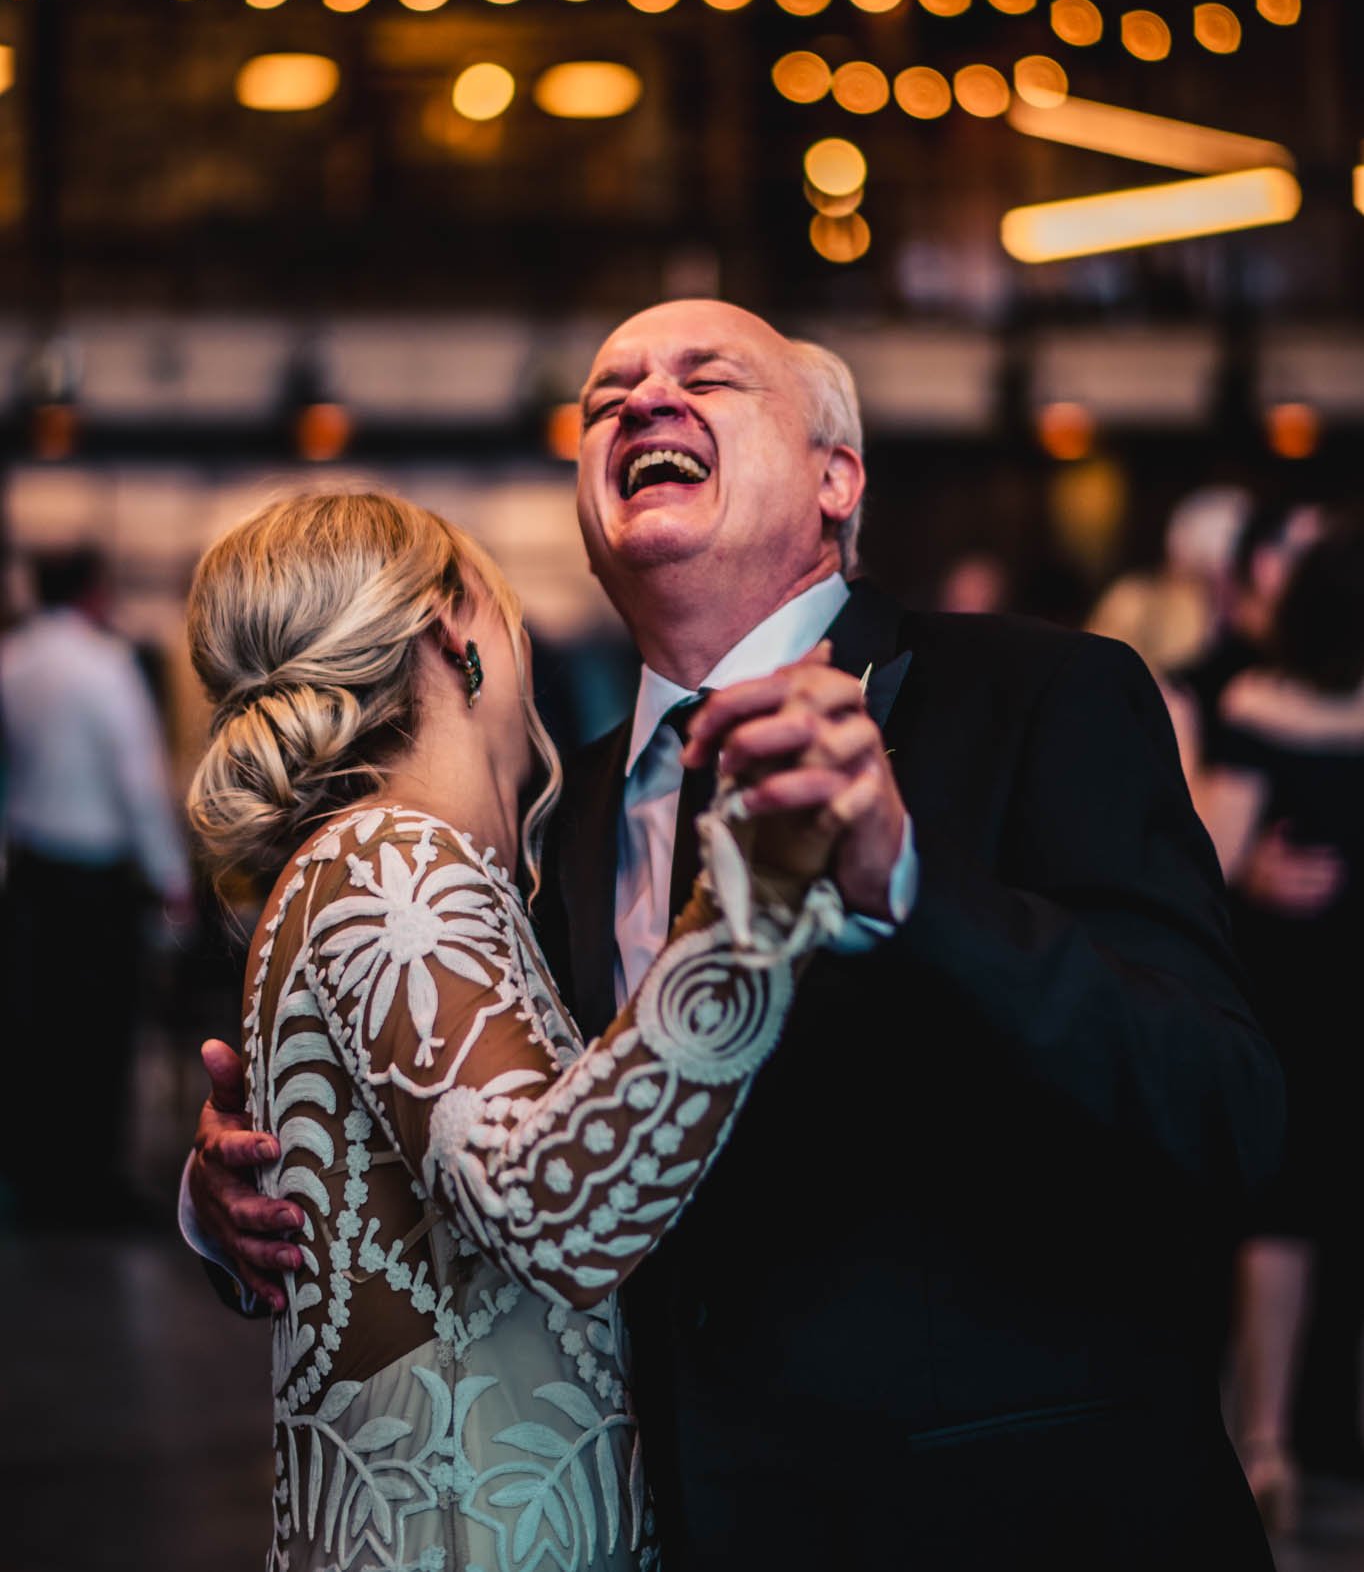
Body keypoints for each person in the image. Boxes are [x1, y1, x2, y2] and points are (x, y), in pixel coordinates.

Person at [189, 300, 1284, 1570]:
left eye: (707, 376)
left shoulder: (1040, 696)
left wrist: (904, 885)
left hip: (1015, 1522)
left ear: (836, 479)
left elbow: (1227, 1108)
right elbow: (495, 1152)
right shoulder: (547, 822)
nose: (646, 401)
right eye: (606, 397)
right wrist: (259, 1196)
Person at [182, 487, 855, 1571]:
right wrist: (756, 896)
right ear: (456, 630)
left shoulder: (361, 868)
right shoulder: (389, 862)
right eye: (506, 609)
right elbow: (553, 1208)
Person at [1199, 524, 1364, 1534]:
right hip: (1340, 982)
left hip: (1288, 987)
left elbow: (1209, 856)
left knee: (1281, 1215)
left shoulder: (1255, 705)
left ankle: (1262, 1439)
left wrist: (1256, 872)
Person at [1, 544, 191, 1227]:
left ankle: (36, 1180)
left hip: (29, 875)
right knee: (100, 1036)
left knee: (35, 1031)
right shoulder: (106, 666)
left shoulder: (13, 660)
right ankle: (92, 1184)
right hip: (95, 879)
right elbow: (138, 781)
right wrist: (173, 874)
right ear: (92, 590)